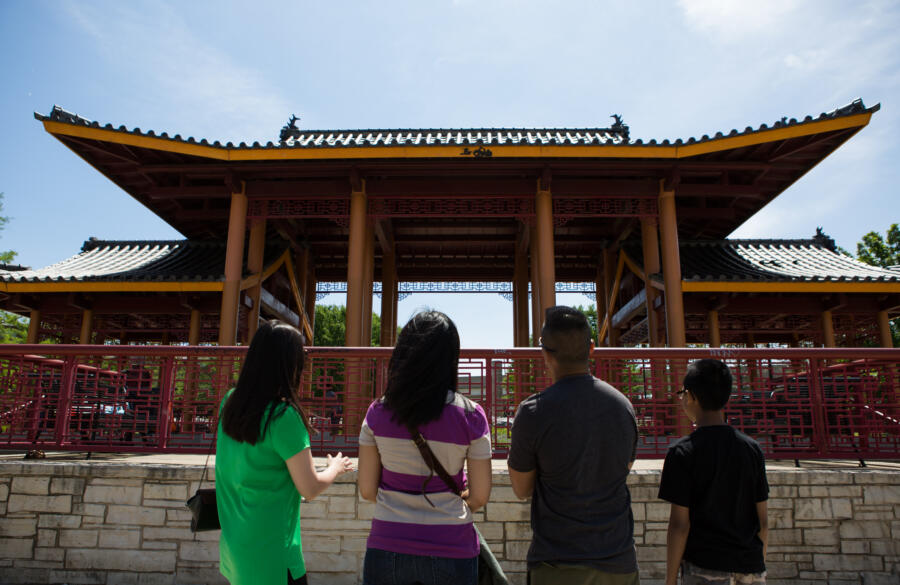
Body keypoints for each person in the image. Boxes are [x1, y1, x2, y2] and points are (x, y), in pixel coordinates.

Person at [357, 311, 493, 585]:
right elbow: (479, 497)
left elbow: (368, 490)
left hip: (387, 544)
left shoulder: (377, 412)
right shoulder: (471, 415)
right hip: (452, 546)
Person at [507, 305, 639, 585]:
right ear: (591, 348)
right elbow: (624, 467)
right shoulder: (623, 406)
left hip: (557, 562)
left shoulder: (533, 412)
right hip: (619, 560)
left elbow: (521, 488)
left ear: (544, 353)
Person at [216, 320, 353, 585]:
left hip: (235, 549)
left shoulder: (230, 401)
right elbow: (310, 487)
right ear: (289, 365)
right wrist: (334, 468)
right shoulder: (283, 416)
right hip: (274, 557)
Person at [658, 359, 769, 585]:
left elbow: (680, 525)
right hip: (750, 566)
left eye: (681, 393)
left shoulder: (682, 453)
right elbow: (763, 522)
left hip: (704, 567)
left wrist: (670, 580)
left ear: (691, 396)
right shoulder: (751, 449)